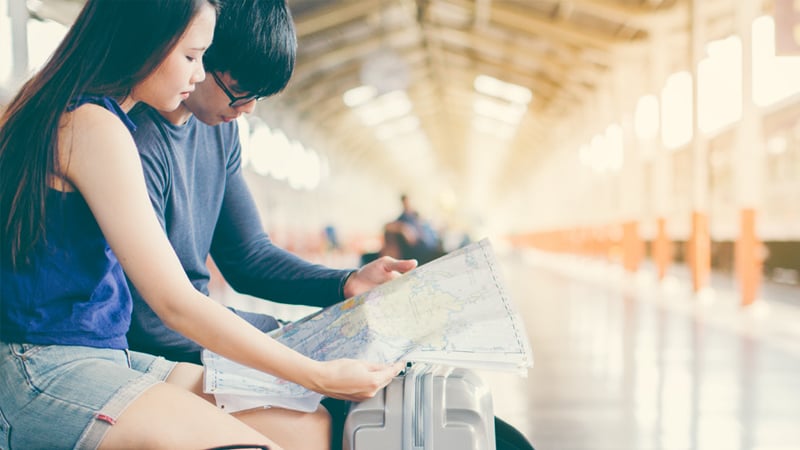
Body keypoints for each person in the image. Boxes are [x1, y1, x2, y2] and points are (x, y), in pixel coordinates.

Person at [0, 1, 402, 449]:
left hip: (105, 353)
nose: (197, 74)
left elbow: (242, 256)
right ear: (148, 41)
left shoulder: (98, 117)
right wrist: (317, 372)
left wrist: (342, 289)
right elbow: (171, 303)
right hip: (42, 365)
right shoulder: (93, 126)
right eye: (192, 56)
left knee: (311, 431)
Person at [126, 0, 417, 366]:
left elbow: (248, 257)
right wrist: (283, 336)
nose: (247, 108)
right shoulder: (134, 140)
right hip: (159, 352)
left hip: (196, 334)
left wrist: (346, 283)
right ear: (197, 51)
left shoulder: (220, 133)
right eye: (240, 89)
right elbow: (153, 319)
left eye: (258, 96)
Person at [381, 193, 444, 264]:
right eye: (406, 202)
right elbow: (386, 226)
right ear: (403, 203)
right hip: (420, 252)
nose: (409, 204)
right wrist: (403, 228)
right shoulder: (403, 219)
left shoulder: (418, 216)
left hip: (433, 247)